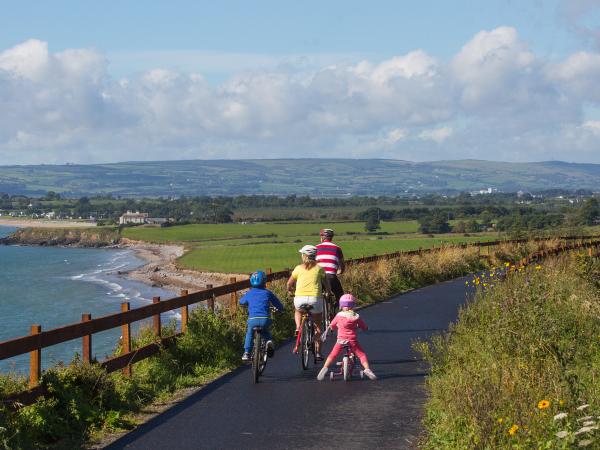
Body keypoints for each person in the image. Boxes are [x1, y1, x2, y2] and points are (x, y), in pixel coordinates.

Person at [317, 293, 377, 380]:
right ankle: (367, 369)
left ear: (341, 305)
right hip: (353, 341)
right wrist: (366, 328)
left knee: (332, 355)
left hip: (340, 340)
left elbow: (332, 325)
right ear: (353, 305)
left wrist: (332, 327)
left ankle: (325, 368)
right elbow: (363, 326)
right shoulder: (356, 317)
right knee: (361, 355)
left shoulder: (338, 316)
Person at [287, 244, 331, 360]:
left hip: (300, 298)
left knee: (298, 311)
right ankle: (318, 352)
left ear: (305, 256)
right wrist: (328, 293)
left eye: (302, 254)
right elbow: (327, 285)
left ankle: (297, 327)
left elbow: (289, 284)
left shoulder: (298, 268)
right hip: (315, 299)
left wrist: (290, 291)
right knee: (318, 326)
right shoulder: (320, 269)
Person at [239, 270, 284, 361]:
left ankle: (246, 352)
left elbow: (241, 302)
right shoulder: (268, 293)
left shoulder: (249, 293)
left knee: (249, 334)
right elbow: (279, 305)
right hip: (265, 319)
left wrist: (246, 304)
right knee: (265, 332)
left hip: (252, 319)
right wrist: (280, 309)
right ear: (264, 281)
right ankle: (269, 341)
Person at [316, 228, 345, 308]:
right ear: (331, 238)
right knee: (340, 296)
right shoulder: (337, 248)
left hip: (317, 277)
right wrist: (340, 271)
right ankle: (335, 313)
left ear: (322, 237)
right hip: (330, 277)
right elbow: (342, 264)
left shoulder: (316, 248)